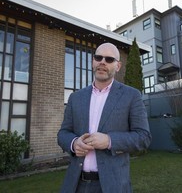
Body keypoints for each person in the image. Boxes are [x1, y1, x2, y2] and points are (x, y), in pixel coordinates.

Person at [57, 42, 152, 193]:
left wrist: (109, 141)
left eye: (109, 59)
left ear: (118, 66)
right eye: (98, 57)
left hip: (112, 186)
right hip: (75, 184)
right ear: (93, 61)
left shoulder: (131, 96)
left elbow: (143, 137)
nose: (102, 62)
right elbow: (63, 133)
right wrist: (74, 143)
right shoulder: (75, 97)